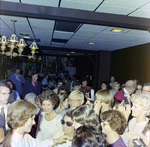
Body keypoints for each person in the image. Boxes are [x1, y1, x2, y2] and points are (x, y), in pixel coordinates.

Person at [3, 100, 70, 147]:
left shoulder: (25, 136)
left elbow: (38, 144)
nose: (34, 122)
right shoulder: (13, 143)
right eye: (32, 119)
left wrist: (56, 140)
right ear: (22, 119)